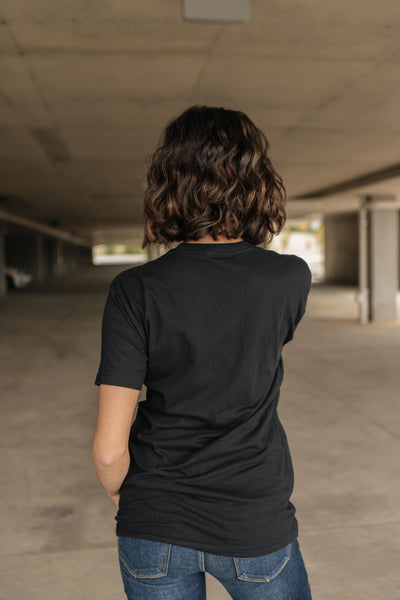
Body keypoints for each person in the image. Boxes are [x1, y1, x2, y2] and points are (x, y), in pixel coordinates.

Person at [92, 105, 313, 600]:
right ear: (255, 179)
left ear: (168, 184)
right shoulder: (290, 279)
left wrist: (135, 497)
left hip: (155, 519)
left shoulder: (135, 290)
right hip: (253, 516)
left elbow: (109, 451)